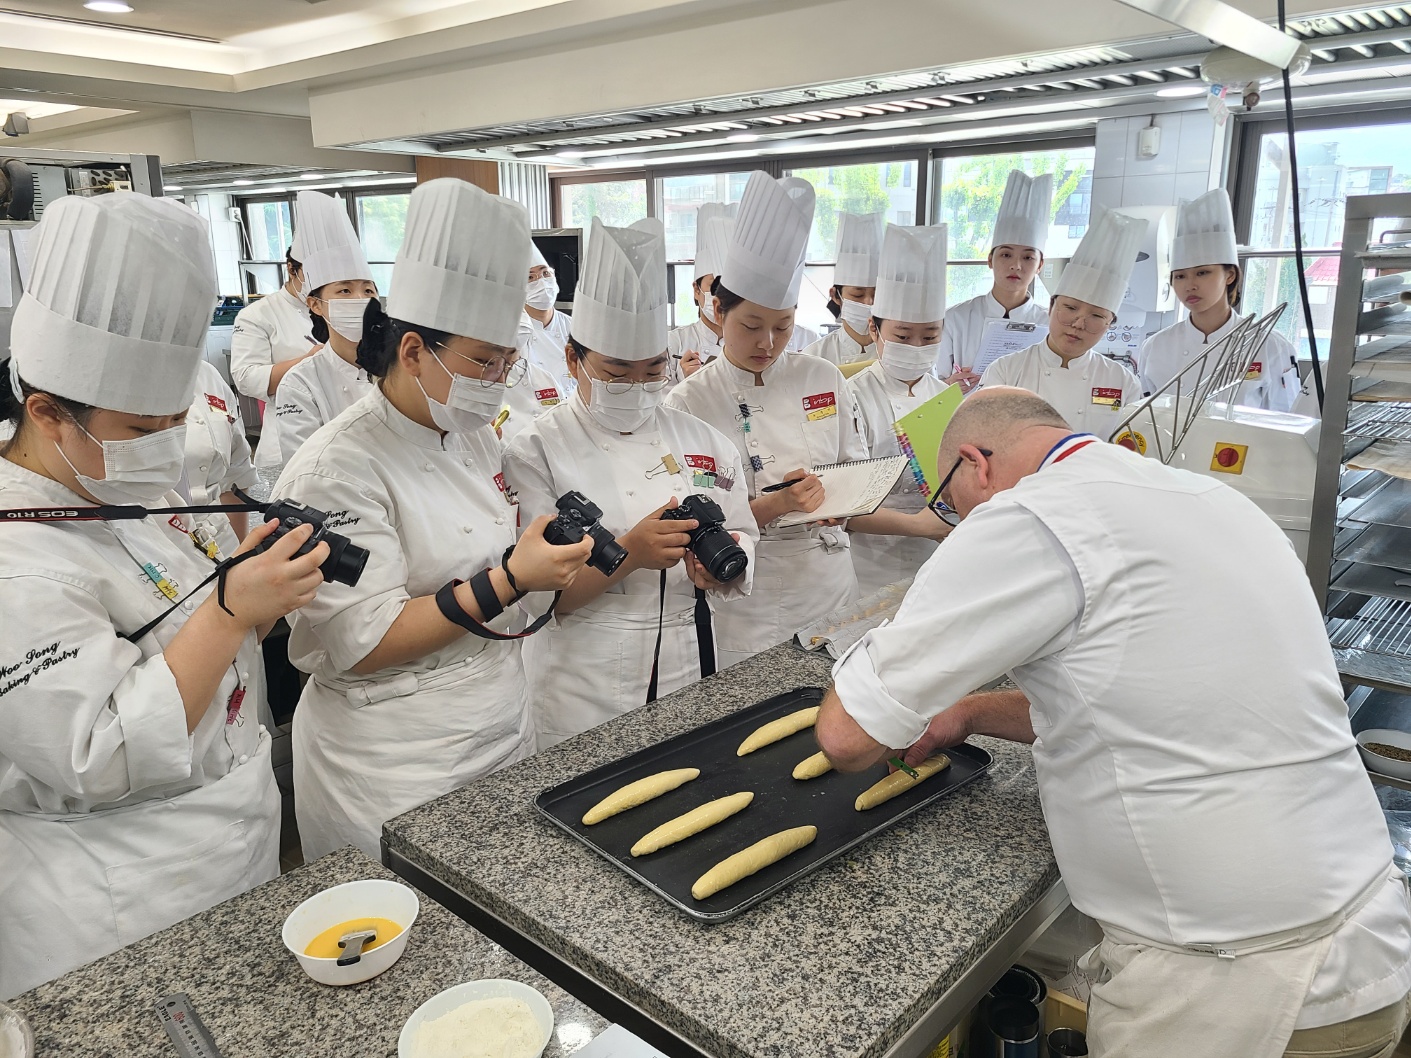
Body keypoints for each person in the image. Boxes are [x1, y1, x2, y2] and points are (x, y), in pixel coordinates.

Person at [816, 386, 1411, 1058]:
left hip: (1241, 990)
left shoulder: (1029, 516)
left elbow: (847, 738)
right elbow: (1147, 702)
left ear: (973, 462)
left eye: (952, 510)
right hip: (1367, 944)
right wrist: (967, 712)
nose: (961, 524)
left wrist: (877, 673)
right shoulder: (1209, 500)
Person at [0, 192, 329, 999]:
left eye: (175, 420)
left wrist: (246, 578)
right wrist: (229, 612)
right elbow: (96, 754)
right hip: (117, 884)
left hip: (231, 836)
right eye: (144, 427)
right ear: (45, 412)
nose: (168, 447)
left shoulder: (122, 497)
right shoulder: (15, 558)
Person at [272, 178, 593, 861]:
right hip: (394, 751)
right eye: (482, 361)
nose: (496, 379)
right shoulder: (337, 469)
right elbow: (366, 640)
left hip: (497, 714)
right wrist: (509, 580)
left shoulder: (471, 431)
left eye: (506, 361)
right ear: (413, 350)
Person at [665, 171, 946, 669]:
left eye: (783, 326)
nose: (767, 344)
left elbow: (853, 471)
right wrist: (777, 504)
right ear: (718, 311)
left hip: (831, 578)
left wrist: (842, 501)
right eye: (751, 326)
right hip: (747, 589)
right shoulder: (689, 402)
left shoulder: (823, 378)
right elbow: (694, 523)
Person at [504, 217, 757, 746]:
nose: (638, 388)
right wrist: (631, 552)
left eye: (652, 371)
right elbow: (542, 598)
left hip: (691, 653)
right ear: (574, 359)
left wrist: (728, 566)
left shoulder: (703, 439)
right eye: (617, 373)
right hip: (583, 674)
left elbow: (742, 530)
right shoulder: (534, 449)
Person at [846, 223, 952, 595]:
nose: (916, 346)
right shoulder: (850, 397)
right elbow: (842, 507)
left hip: (937, 560)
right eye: (903, 337)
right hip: (866, 566)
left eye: (930, 337)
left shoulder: (947, 400)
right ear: (874, 330)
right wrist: (922, 525)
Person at [979, 208, 1145, 437]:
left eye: (1096, 316)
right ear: (1051, 306)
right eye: (1070, 308)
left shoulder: (1124, 382)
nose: (1078, 324)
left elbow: (1130, 450)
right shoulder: (1006, 371)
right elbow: (987, 437)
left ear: (1110, 324)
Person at [1139, 189, 1301, 411]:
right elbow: (1145, 418)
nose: (1190, 285)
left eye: (1203, 272)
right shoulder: (1155, 347)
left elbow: (1286, 421)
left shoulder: (1270, 345)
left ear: (1230, 275)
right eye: (1180, 276)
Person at [254, 191, 377, 477]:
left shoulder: (402, 368)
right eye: (345, 290)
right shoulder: (300, 383)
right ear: (316, 304)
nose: (359, 298)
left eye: (368, 290)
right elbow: (309, 467)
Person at [937, 171, 1052, 391]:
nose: (1016, 266)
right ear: (990, 259)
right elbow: (933, 383)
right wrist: (949, 386)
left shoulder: (1048, 323)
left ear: (1040, 265)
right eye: (1006, 254)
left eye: (1028, 257)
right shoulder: (955, 318)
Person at [183, 358, 257, 559]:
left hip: (220, 538)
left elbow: (237, 472)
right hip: (150, 542)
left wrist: (241, 554)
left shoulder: (208, 375)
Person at [229, 239, 317, 403]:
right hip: (290, 417)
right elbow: (245, 378)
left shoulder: (336, 308)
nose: (321, 281)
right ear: (291, 269)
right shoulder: (256, 315)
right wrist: (309, 361)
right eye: (314, 272)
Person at [802, 211, 883, 368]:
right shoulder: (814, 357)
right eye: (858, 295)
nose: (869, 303)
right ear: (835, 295)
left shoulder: (898, 357)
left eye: (877, 294)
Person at [667, 203, 735, 382]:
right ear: (696, 290)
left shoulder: (747, 345)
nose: (721, 298)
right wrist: (686, 381)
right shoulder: (673, 343)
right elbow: (658, 403)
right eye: (715, 287)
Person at [520, 242, 575, 391]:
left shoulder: (575, 328)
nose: (541, 282)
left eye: (545, 274)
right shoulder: (514, 332)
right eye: (530, 277)